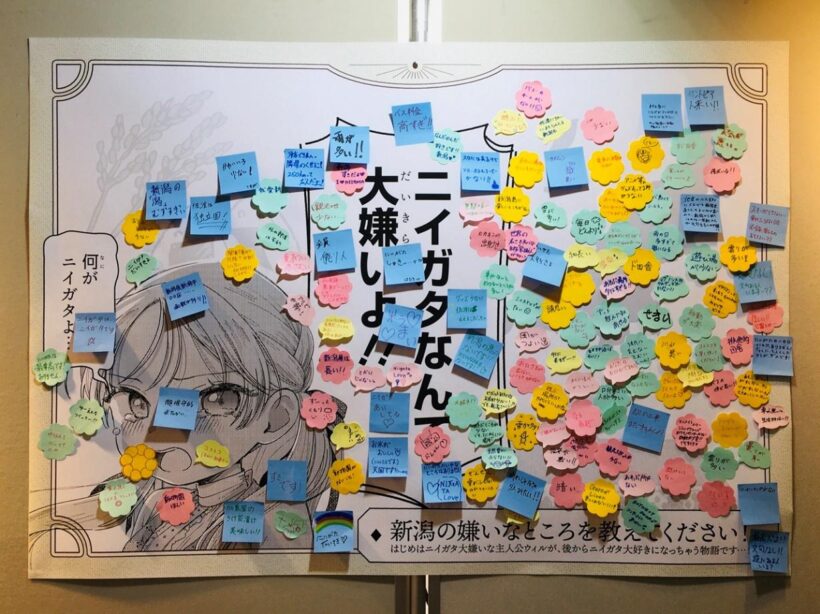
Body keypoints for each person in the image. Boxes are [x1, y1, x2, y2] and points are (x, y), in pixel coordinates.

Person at [35, 262, 338, 552]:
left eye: (214, 399)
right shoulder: (149, 492)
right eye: (137, 401)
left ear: (277, 416)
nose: (160, 434)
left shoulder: (269, 526)